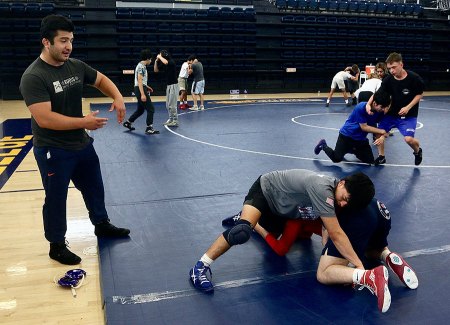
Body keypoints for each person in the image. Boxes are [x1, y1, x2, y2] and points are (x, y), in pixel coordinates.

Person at [19, 15, 130, 265]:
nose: (68, 46)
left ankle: (101, 224)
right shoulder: (34, 76)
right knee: (56, 198)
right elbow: (45, 118)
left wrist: (118, 96)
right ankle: (56, 245)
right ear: (46, 42)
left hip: (81, 144)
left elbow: (100, 80)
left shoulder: (75, 66)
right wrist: (84, 122)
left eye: (70, 40)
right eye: (63, 41)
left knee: (94, 188)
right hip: (53, 150)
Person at [189, 169, 375, 293]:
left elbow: (329, 229)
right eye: (344, 198)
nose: (343, 204)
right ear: (341, 183)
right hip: (266, 192)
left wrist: (329, 256)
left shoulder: (337, 194)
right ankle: (200, 267)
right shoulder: (322, 190)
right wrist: (358, 265)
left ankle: (253, 220)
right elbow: (336, 234)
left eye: (347, 203)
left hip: (287, 211)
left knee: (300, 237)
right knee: (242, 232)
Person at [223, 198, 419, 313]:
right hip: (377, 210)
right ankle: (385, 254)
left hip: (351, 225)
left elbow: (281, 249)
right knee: (370, 249)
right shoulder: (307, 199)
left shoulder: (293, 218)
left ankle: (367, 276)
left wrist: (256, 226)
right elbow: (309, 234)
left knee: (324, 273)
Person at [366, 52, 424, 166]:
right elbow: (378, 93)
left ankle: (418, 151)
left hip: (408, 115)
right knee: (378, 132)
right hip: (391, 114)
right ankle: (381, 156)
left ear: (401, 64)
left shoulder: (414, 78)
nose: (392, 71)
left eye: (394, 67)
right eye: (389, 68)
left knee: (409, 140)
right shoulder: (388, 80)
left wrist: (408, 107)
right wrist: (368, 104)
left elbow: (419, 94)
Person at [314, 90, 391, 165]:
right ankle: (323, 145)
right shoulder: (361, 107)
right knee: (336, 158)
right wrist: (382, 132)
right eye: (382, 107)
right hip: (347, 136)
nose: (384, 109)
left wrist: (383, 135)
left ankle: (352, 150)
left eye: (385, 107)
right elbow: (364, 127)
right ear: (374, 103)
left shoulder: (381, 112)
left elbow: (386, 127)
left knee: (369, 160)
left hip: (360, 140)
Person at [122, 49, 159, 134]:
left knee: (140, 110)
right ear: (148, 58)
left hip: (140, 87)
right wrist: (143, 94)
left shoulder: (141, 66)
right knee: (151, 109)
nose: (151, 61)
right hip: (140, 89)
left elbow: (141, 81)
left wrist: (147, 86)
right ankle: (149, 128)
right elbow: (139, 80)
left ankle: (128, 123)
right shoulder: (141, 66)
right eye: (151, 59)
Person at [154, 49, 180, 127]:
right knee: (167, 104)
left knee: (172, 104)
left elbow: (166, 62)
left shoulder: (171, 62)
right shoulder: (164, 63)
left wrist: (159, 56)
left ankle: (175, 120)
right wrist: (156, 61)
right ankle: (170, 118)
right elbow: (156, 70)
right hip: (168, 85)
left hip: (174, 85)